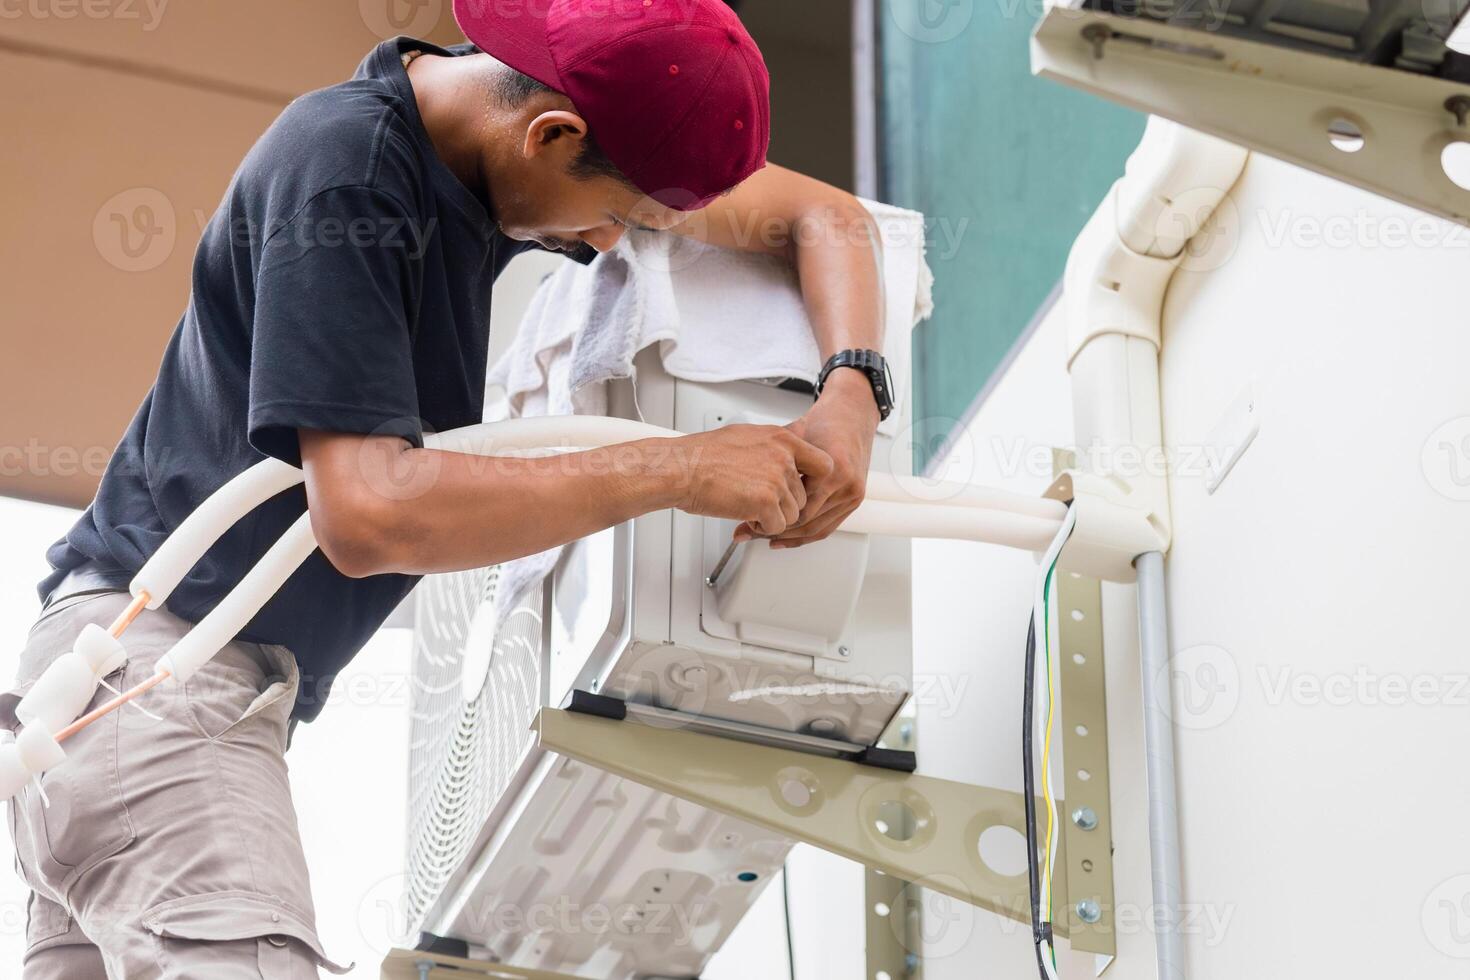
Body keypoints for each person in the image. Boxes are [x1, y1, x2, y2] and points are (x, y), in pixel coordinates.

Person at [4, 0, 894, 975]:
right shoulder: (345, 178)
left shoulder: (475, 149)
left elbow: (825, 216)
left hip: (117, 704)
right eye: (624, 217)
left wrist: (851, 389)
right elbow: (371, 509)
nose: (608, 246)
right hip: (165, 680)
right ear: (552, 134)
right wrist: (682, 467)